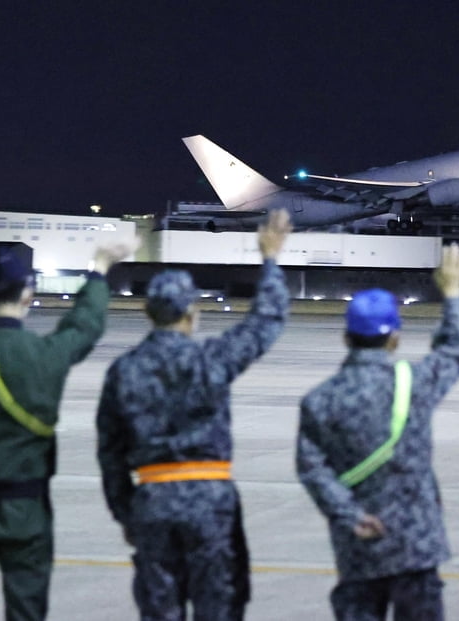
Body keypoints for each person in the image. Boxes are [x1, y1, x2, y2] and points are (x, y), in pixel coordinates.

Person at [0, 218, 137, 621]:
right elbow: (85, 325)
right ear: (28, 295)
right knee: (27, 610)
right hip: (27, 509)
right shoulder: (47, 355)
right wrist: (101, 267)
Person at [95, 209, 291, 621]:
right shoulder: (211, 360)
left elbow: (110, 454)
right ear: (192, 312)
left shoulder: (124, 370)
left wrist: (125, 512)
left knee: (160, 609)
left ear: (149, 313)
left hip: (153, 499)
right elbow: (265, 323)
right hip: (210, 501)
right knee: (218, 607)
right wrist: (270, 260)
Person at [296, 243, 459, 621]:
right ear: (395, 338)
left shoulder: (319, 401)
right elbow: (454, 351)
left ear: (346, 338)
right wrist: (452, 294)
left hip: (360, 548)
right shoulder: (413, 383)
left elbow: (312, 470)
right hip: (415, 548)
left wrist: (351, 515)